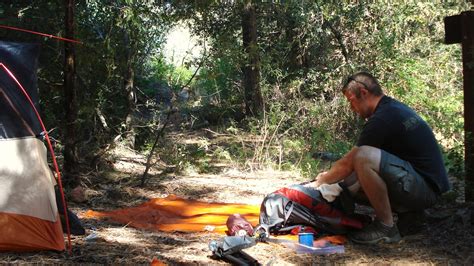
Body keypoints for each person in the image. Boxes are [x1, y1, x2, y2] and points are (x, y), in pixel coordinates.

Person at [311, 71, 450, 244]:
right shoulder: (391, 108)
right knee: (349, 181)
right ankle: (408, 213)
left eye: (351, 101)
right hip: (423, 185)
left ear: (363, 92)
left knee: (362, 157)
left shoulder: (382, 118)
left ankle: (386, 227)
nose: (351, 108)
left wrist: (319, 182)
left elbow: (351, 161)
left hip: (425, 190)